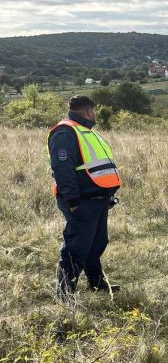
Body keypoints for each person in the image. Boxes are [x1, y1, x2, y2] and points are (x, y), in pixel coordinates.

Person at [48, 95, 122, 298]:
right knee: (77, 247)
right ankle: (65, 292)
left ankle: (96, 283)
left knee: (96, 243)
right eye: (94, 111)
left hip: (98, 199)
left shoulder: (86, 131)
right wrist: (73, 201)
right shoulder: (64, 132)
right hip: (81, 202)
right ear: (89, 111)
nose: (95, 114)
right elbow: (63, 170)